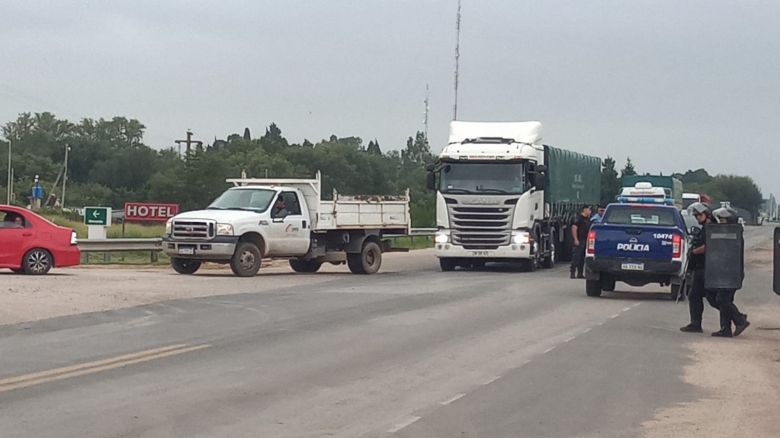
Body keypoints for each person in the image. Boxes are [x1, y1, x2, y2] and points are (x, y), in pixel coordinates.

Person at [709, 207, 750, 337]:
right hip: (723, 271)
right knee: (723, 299)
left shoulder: (733, 234)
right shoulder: (725, 233)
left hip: (732, 272)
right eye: (719, 220)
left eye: (723, 220)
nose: (720, 223)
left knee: (722, 299)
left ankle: (740, 320)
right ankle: (726, 328)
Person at [680, 202, 719, 333]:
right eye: (696, 216)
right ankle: (695, 324)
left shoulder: (711, 228)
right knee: (697, 296)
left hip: (706, 268)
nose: (697, 218)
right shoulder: (706, 228)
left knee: (710, 298)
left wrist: (694, 251)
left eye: (699, 215)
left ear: (706, 214)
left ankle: (737, 318)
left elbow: (710, 245)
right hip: (702, 267)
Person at [570, 205, 592, 279]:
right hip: (579, 240)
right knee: (576, 257)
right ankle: (572, 272)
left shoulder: (588, 219)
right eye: (589, 210)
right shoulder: (578, 219)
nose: (590, 211)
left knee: (582, 258)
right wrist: (576, 239)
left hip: (586, 240)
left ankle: (580, 273)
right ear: (584, 210)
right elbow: (574, 228)